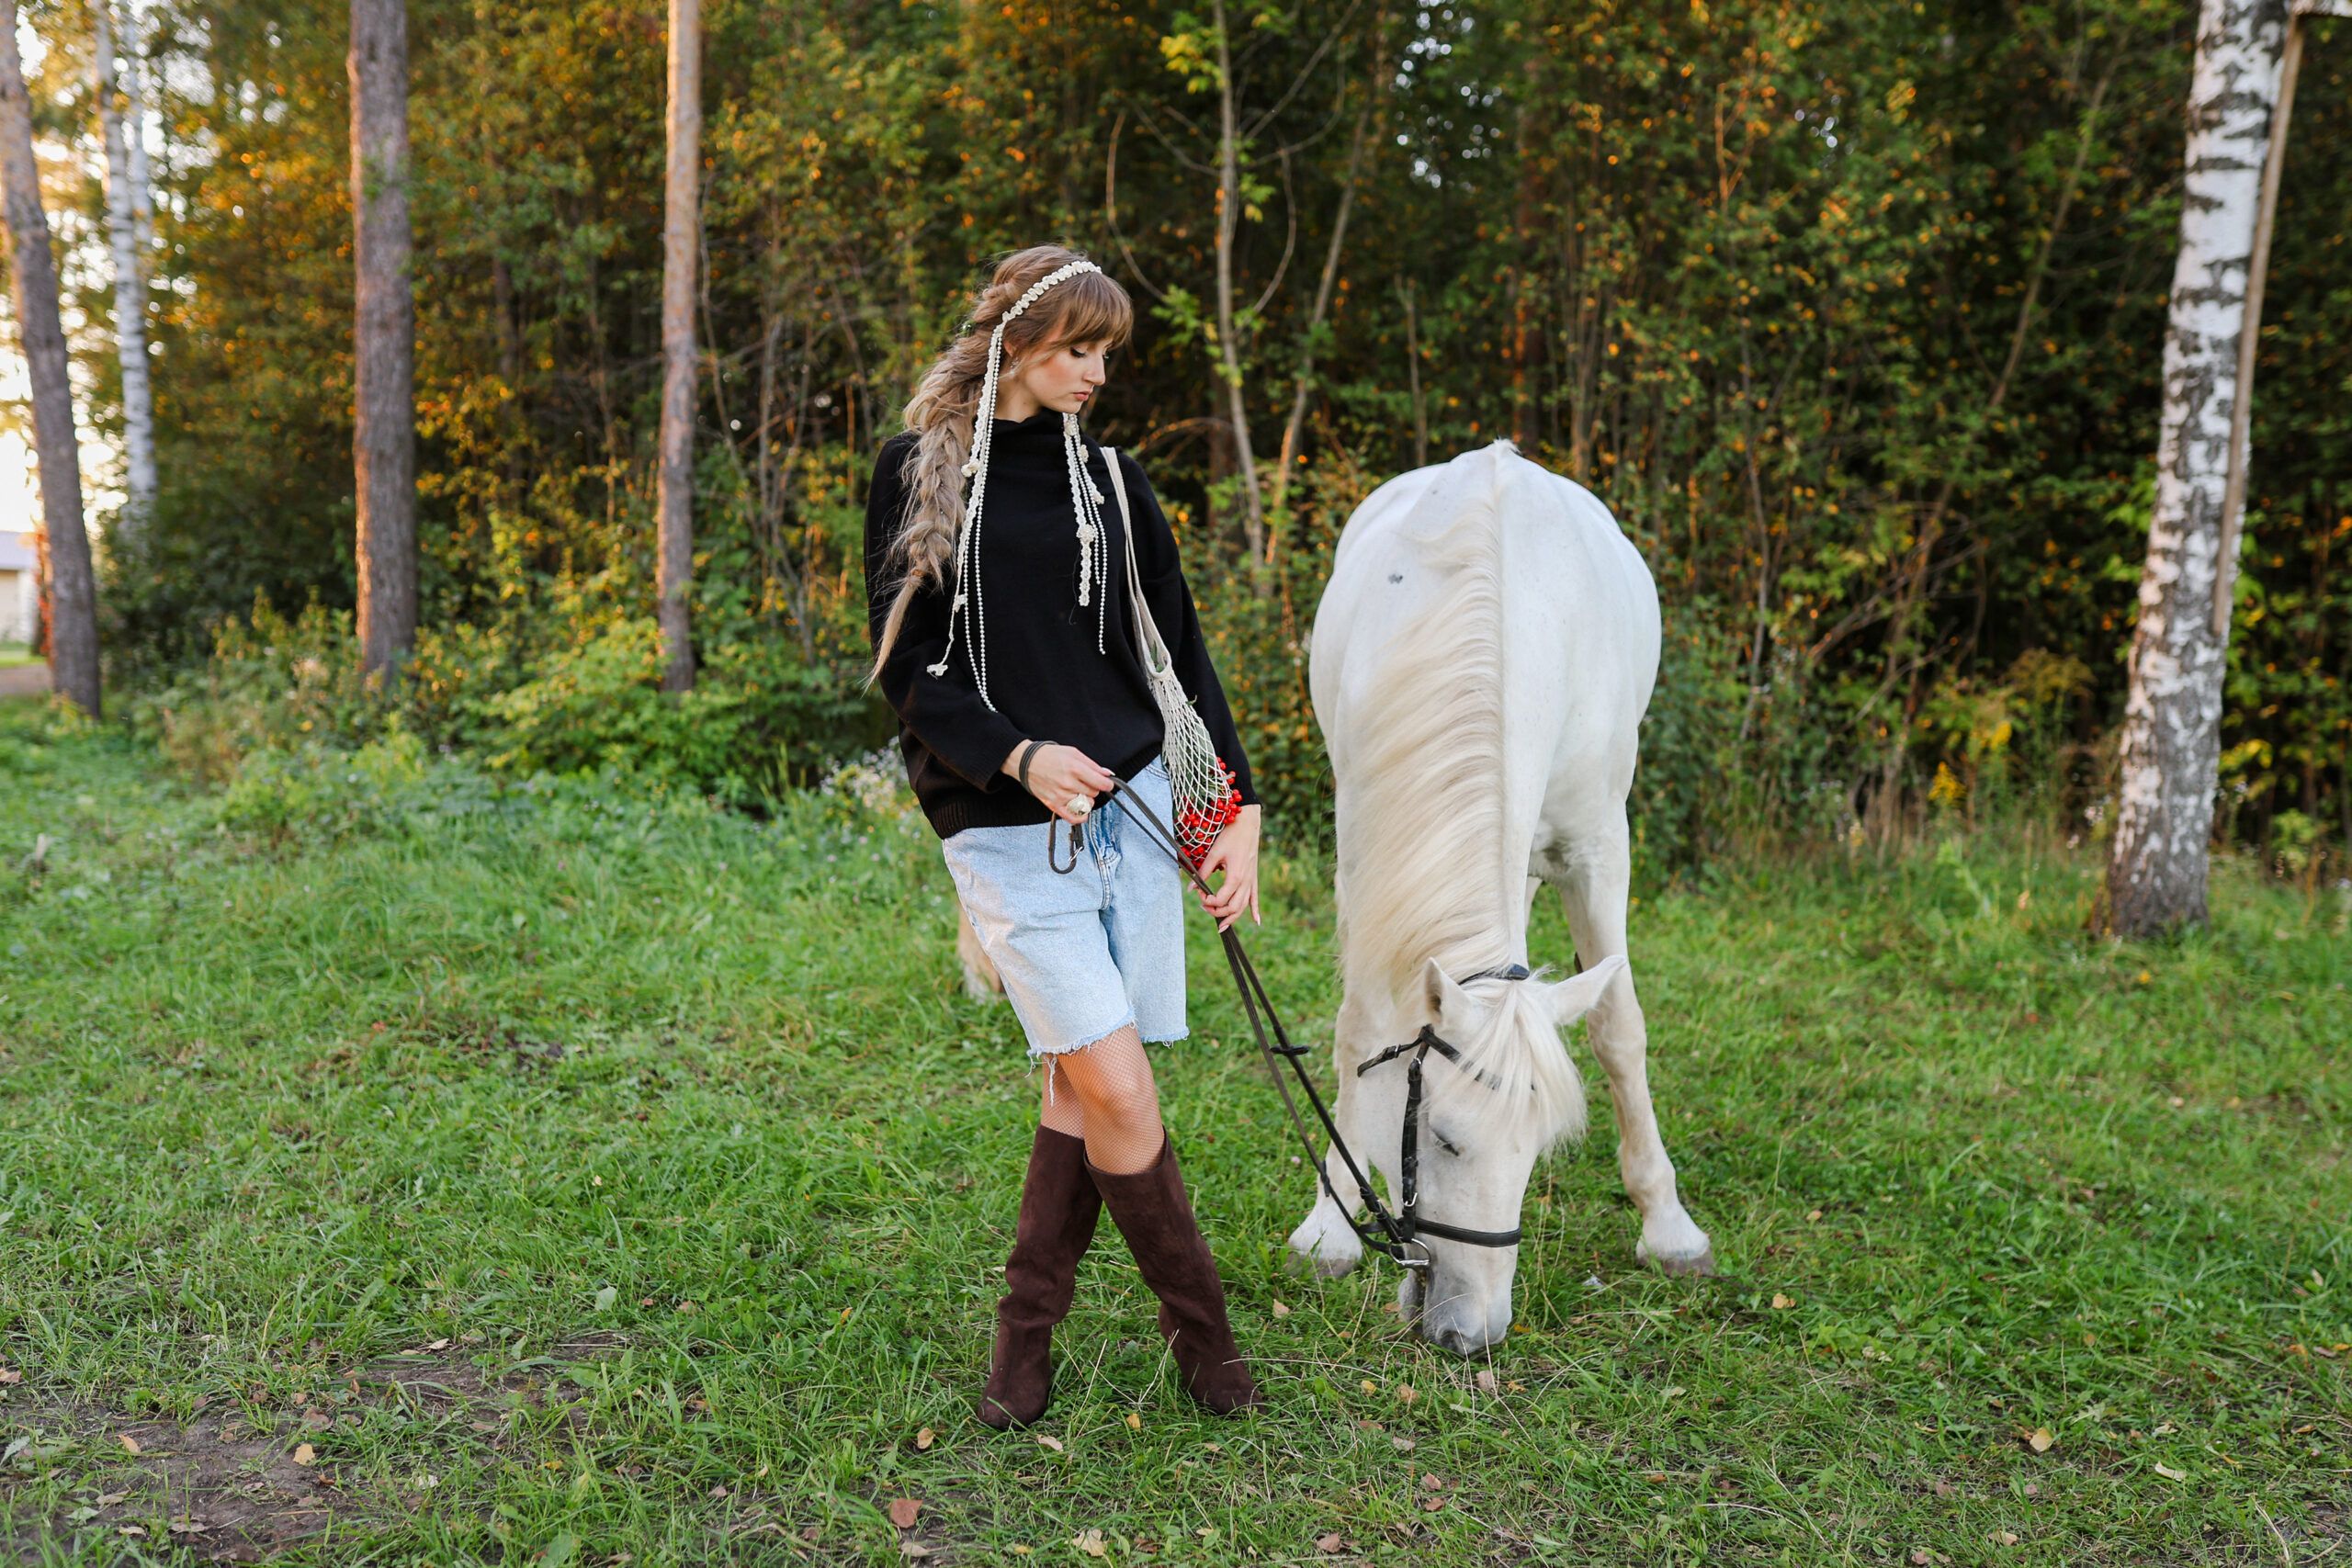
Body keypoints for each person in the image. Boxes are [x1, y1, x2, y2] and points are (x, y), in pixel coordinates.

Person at [862, 244, 1266, 1425]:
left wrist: (1234, 809)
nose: (1094, 372)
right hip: (1003, 828)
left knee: (1078, 1082)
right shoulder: (917, 475)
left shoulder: (1114, 483)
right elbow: (905, 666)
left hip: (1135, 818)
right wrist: (1018, 754)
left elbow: (1177, 653)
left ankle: (1023, 1341)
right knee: (1120, 1088)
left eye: (1105, 354)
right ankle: (1207, 1345)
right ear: (1014, 341)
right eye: (1076, 348)